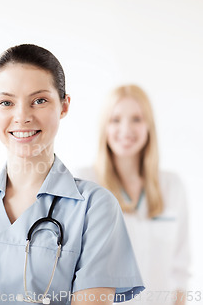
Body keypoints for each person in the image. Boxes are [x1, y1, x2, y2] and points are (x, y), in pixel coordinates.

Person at [0, 44, 145, 305]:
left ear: (64, 106)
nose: (22, 116)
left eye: (39, 100)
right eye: (6, 102)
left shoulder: (94, 208)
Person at [76, 85, 190, 305]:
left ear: (149, 126)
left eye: (136, 119)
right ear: (104, 128)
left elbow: (180, 269)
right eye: (115, 120)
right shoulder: (85, 183)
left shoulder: (172, 185)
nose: (126, 129)